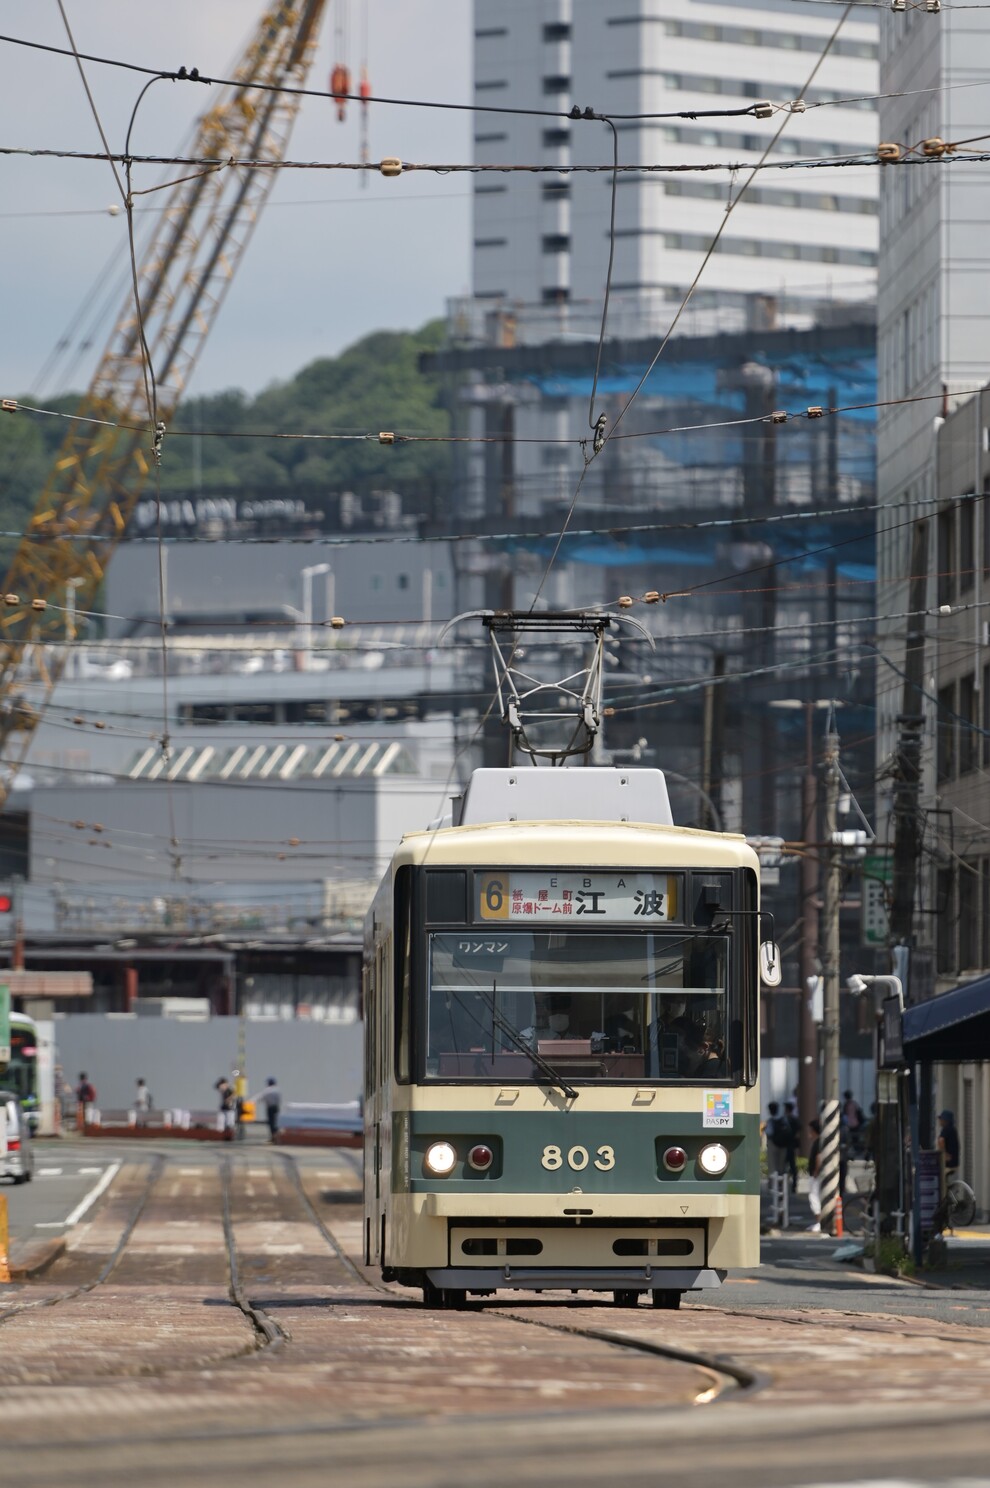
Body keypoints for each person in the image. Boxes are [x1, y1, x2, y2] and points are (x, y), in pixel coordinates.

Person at [250, 1077, 282, 1143]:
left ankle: (273, 1137)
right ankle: (277, 1137)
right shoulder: (277, 1090)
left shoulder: (267, 1090)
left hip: (270, 1108)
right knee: (276, 1122)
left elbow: (260, 1097)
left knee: (271, 1123)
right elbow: (279, 1100)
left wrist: (251, 1101)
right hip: (276, 1107)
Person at [765, 1100, 789, 1181]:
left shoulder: (771, 1121)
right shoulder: (783, 1120)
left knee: (773, 1165)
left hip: (773, 1144)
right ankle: (782, 1184)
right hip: (784, 1145)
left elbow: (769, 1132)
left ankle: (773, 1184)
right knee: (782, 1166)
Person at [806, 1118, 822, 1232]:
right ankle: (818, 1222)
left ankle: (819, 1222)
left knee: (814, 1197)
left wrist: (816, 1172)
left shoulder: (818, 1142)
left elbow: (818, 1157)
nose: (809, 1133)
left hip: (816, 1175)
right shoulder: (818, 1142)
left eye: (810, 1130)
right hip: (816, 1174)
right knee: (815, 1197)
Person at [784, 1099, 801, 1194]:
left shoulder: (786, 1120)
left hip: (786, 1146)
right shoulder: (795, 1120)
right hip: (792, 1146)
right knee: (792, 1166)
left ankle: (783, 1185)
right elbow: (798, 1134)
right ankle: (794, 1185)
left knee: (785, 1166)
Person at [937, 1109, 960, 1177]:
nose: (940, 1121)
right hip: (954, 1162)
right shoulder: (952, 1129)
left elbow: (941, 1140)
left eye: (941, 1119)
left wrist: (943, 1155)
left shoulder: (947, 1129)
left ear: (945, 1121)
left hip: (948, 1163)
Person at [842, 1089, 865, 1155]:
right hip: (856, 1124)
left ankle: (854, 1149)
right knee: (855, 1138)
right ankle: (857, 1149)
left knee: (849, 1138)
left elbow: (845, 1115)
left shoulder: (846, 1105)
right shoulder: (855, 1104)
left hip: (849, 1124)